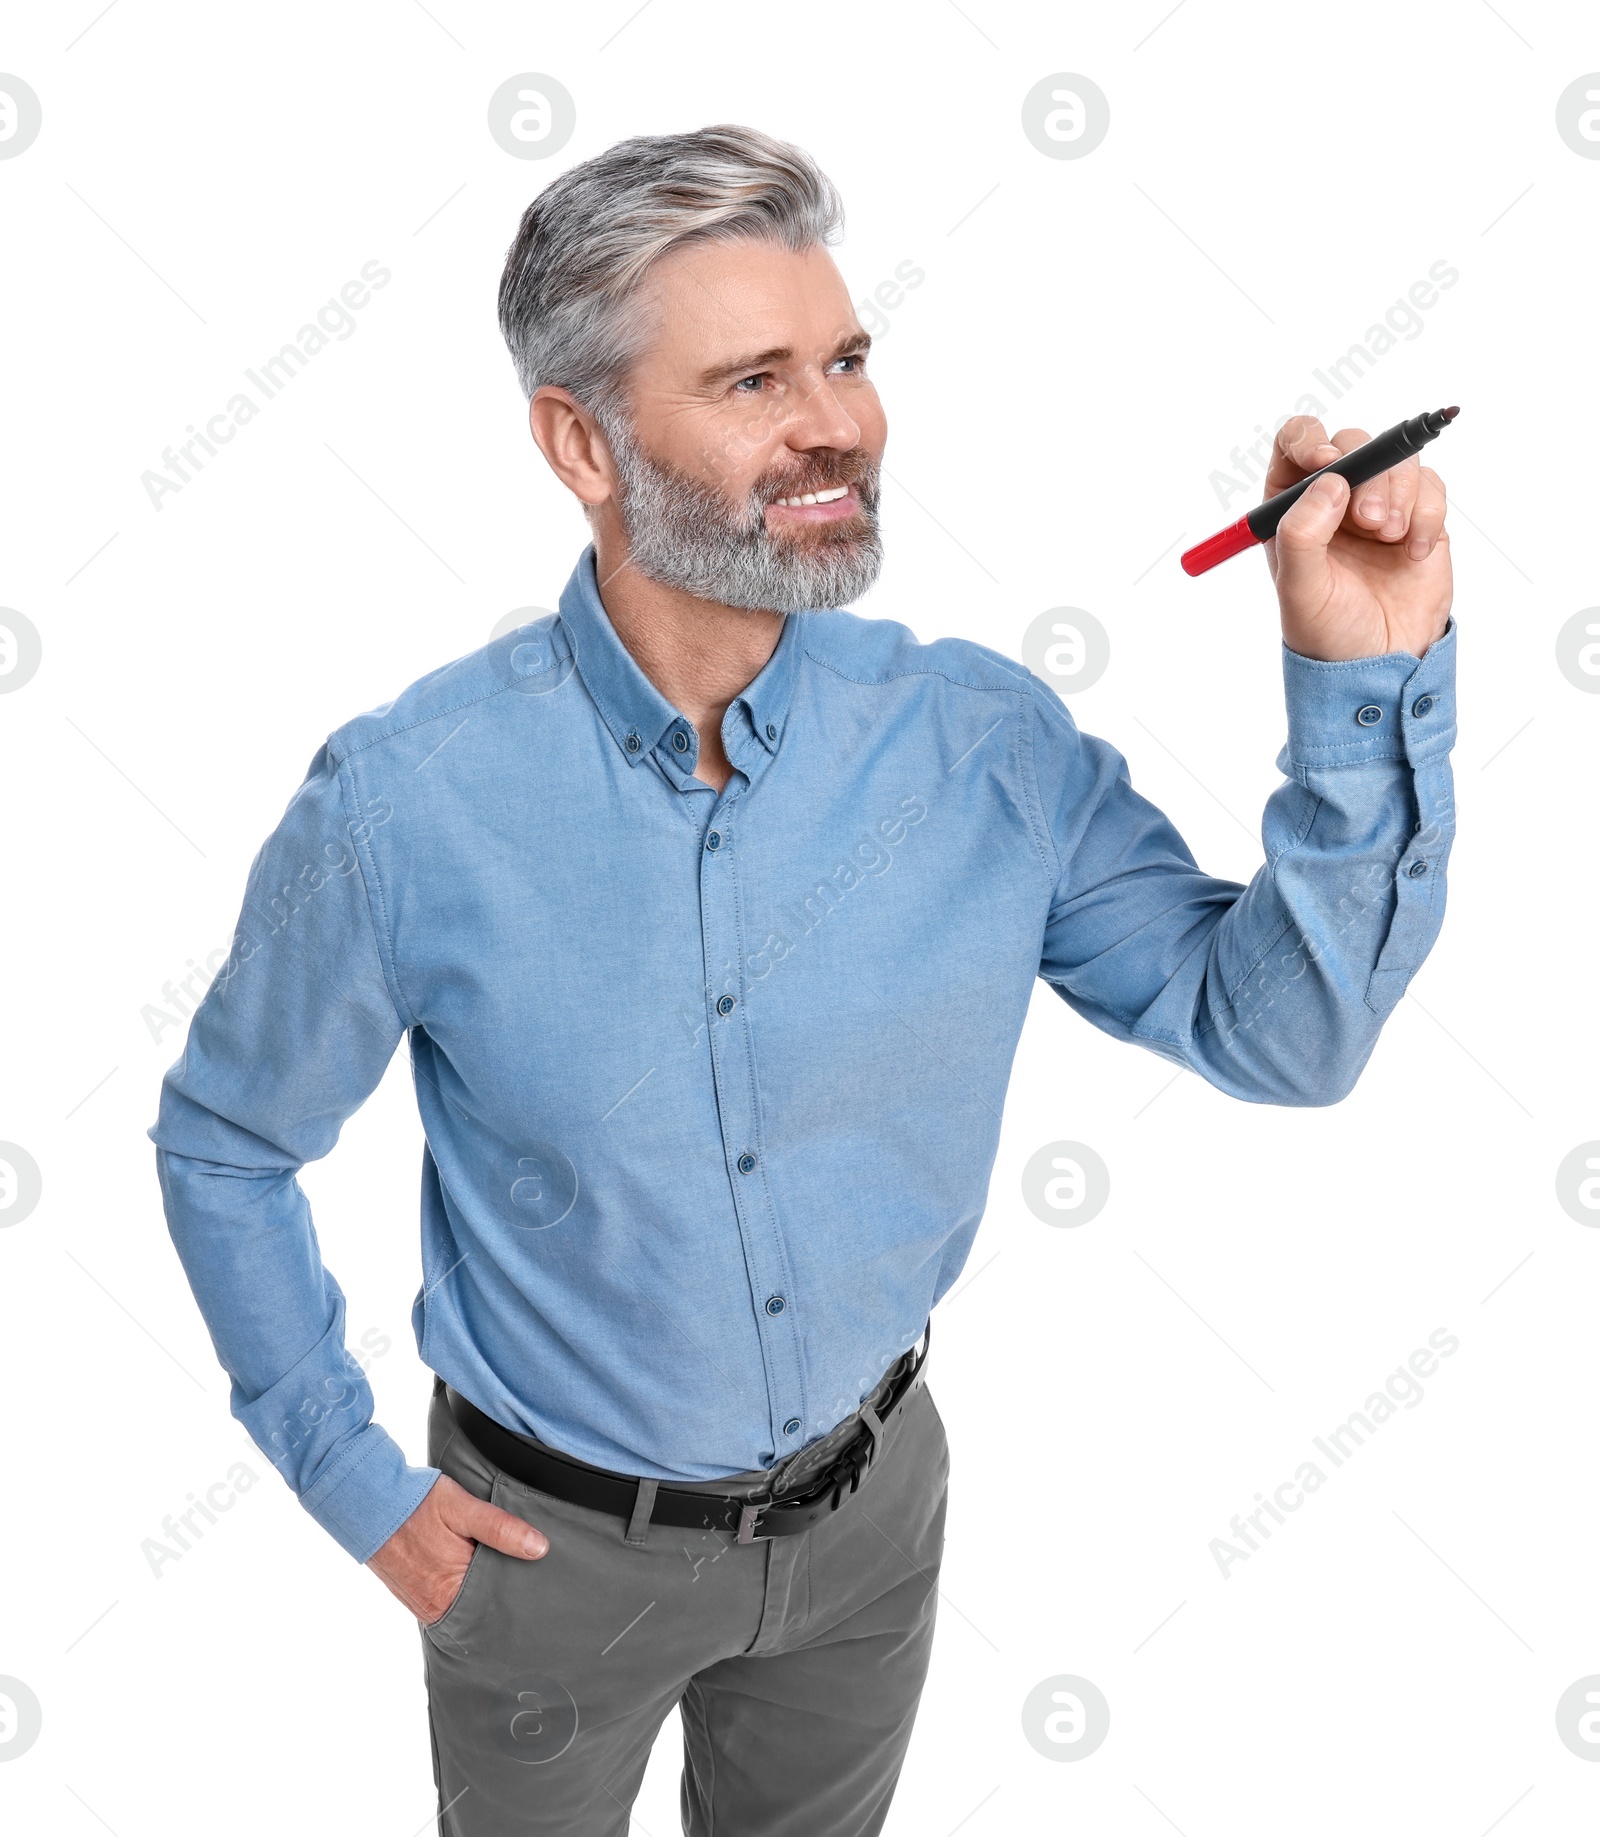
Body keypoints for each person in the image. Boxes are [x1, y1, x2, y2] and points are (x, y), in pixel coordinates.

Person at [149, 124, 1457, 1835]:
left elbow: (1283, 1036)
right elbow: (225, 1144)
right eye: (756, 379)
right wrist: (351, 1479)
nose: (837, 418)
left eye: (845, 358)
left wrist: (1360, 687)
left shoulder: (984, 741)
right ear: (583, 444)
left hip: (868, 1525)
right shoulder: (411, 804)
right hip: (539, 1557)